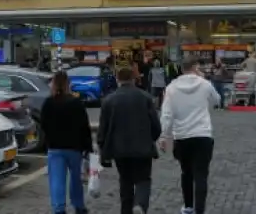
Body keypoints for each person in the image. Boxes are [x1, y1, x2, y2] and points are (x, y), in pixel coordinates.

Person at [159, 56, 220, 214]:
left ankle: (188, 206)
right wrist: (204, 80)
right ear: (195, 67)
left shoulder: (171, 88)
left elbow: (166, 115)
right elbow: (217, 100)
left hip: (182, 136)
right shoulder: (205, 84)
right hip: (202, 134)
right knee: (201, 175)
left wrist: (164, 136)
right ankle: (200, 210)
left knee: (186, 173)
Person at [97, 67, 161, 214]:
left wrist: (102, 148)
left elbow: (103, 129)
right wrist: (151, 138)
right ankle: (140, 204)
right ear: (134, 79)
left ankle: (126, 210)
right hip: (142, 148)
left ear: (117, 79)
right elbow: (156, 126)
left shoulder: (108, 100)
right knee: (143, 179)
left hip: (119, 149)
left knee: (125, 181)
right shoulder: (145, 97)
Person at [40, 70, 93, 214]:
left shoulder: (48, 103)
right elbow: (84, 126)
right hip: (74, 147)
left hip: (55, 147)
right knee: (76, 179)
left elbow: (43, 124)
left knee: (57, 179)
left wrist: (48, 140)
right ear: (68, 84)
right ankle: (78, 205)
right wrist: (88, 147)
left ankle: (59, 207)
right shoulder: (75, 103)